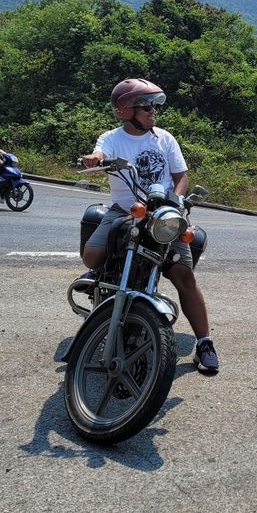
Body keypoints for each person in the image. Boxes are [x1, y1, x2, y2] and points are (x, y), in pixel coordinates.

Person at [79, 78, 220, 376]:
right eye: (146, 105)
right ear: (125, 110)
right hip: (125, 209)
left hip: (165, 212)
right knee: (92, 255)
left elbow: (180, 175)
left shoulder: (164, 138)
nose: (153, 110)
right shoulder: (111, 138)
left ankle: (205, 343)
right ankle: (101, 279)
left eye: (154, 105)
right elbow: (100, 154)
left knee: (184, 275)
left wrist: (178, 201)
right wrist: (95, 159)